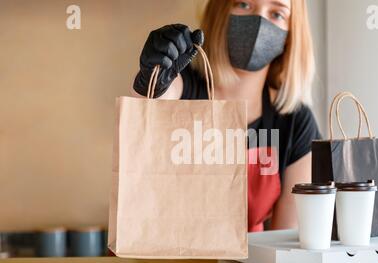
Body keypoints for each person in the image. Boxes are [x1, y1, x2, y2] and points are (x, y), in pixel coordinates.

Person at [132, 0, 321, 232]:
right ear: (219, 11)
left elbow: (287, 246)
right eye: (244, 4)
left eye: (277, 13)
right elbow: (149, 104)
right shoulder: (182, 84)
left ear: (291, 34)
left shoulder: (295, 122)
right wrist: (153, 75)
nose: (259, 21)